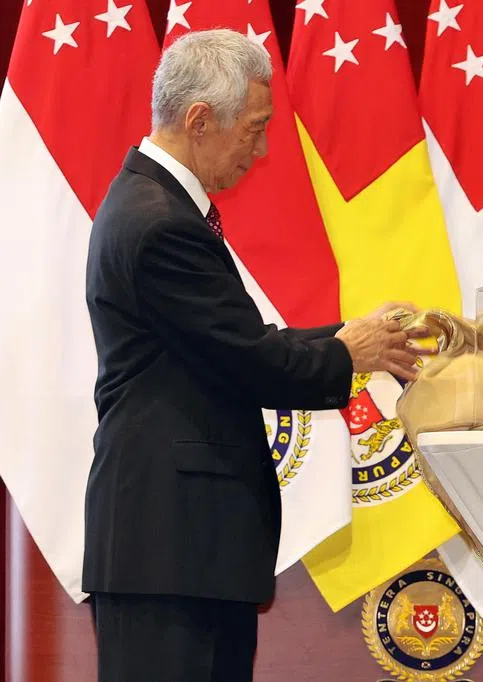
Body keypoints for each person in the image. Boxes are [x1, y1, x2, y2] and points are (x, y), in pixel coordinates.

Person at [83, 29, 431, 682]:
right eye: (255, 128)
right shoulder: (160, 223)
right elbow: (249, 360)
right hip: (170, 549)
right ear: (200, 121)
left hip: (182, 551)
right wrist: (348, 353)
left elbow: (224, 344)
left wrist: (355, 337)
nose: (263, 149)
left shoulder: (152, 205)